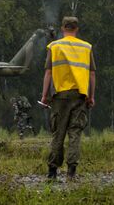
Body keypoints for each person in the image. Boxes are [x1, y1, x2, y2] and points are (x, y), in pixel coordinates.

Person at [40, 16, 96, 180]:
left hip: (60, 97)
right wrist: (90, 96)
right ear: (76, 29)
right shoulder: (87, 47)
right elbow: (92, 74)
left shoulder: (54, 46)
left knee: (58, 133)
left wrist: (44, 96)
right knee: (75, 134)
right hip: (79, 96)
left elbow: (48, 73)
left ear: (63, 28)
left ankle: (52, 171)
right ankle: (71, 171)